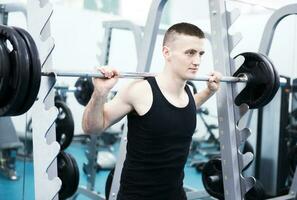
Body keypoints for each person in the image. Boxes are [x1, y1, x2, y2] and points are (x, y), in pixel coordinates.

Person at [82, 22, 222, 200]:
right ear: (166, 52)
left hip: (176, 195)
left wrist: (209, 91)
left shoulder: (186, 93)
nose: (197, 61)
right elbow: (91, 128)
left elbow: (180, 110)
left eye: (200, 54)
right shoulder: (140, 90)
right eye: (190, 53)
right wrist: (99, 94)